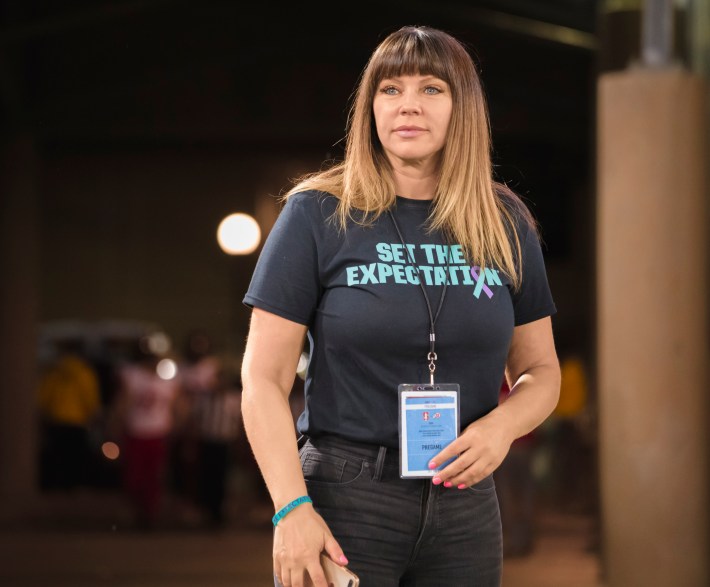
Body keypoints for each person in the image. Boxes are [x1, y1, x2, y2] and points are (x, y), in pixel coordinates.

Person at [241, 25, 560, 587]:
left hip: (465, 500)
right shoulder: (317, 214)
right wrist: (291, 510)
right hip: (345, 496)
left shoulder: (503, 221)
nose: (408, 105)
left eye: (431, 89)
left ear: (463, 107)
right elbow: (263, 380)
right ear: (369, 107)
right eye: (390, 90)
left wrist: (501, 429)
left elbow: (541, 372)